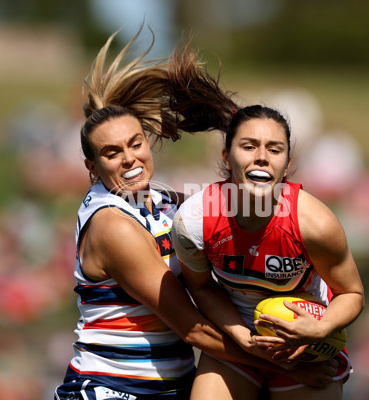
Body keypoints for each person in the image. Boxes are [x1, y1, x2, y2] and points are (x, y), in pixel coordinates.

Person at [54, 29, 340, 400]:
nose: (129, 159)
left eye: (135, 144)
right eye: (111, 153)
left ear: (148, 141)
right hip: (112, 388)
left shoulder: (162, 199)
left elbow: (232, 205)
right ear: (92, 167)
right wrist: (286, 365)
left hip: (169, 387)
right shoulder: (113, 227)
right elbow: (194, 330)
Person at [168, 43, 365, 399]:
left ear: (287, 164)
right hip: (238, 342)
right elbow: (203, 288)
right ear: (227, 157)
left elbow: (352, 294)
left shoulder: (315, 223)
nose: (261, 158)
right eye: (249, 146)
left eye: (274, 149)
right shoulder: (194, 221)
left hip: (306, 345)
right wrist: (244, 339)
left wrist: (321, 329)